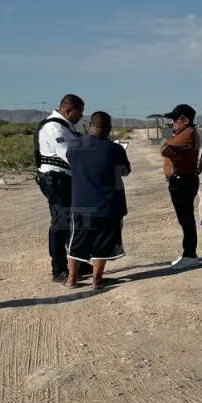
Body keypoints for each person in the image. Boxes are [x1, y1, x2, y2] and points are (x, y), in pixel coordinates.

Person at [65, 111, 131, 290]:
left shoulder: (74, 146)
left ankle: (71, 279)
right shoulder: (115, 149)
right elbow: (124, 171)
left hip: (81, 204)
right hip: (108, 206)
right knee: (103, 242)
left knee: (77, 240)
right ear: (108, 129)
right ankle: (97, 280)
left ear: (89, 125)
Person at [36, 94, 87, 282]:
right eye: (79, 112)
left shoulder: (65, 127)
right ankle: (58, 269)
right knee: (61, 222)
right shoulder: (54, 128)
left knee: (74, 221)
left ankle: (78, 262)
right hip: (55, 180)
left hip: (65, 178)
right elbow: (69, 155)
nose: (81, 116)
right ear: (68, 110)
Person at [159, 103, 201, 269]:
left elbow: (165, 149)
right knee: (184, 219)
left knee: (186, 219)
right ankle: (188, 252)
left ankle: (190, 254)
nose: (173, 123)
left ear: (185, 120)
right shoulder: (182, 133)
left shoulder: (187, 134)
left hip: (183, 180)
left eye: (175, 120)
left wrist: (171, 149)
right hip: (180, 180)